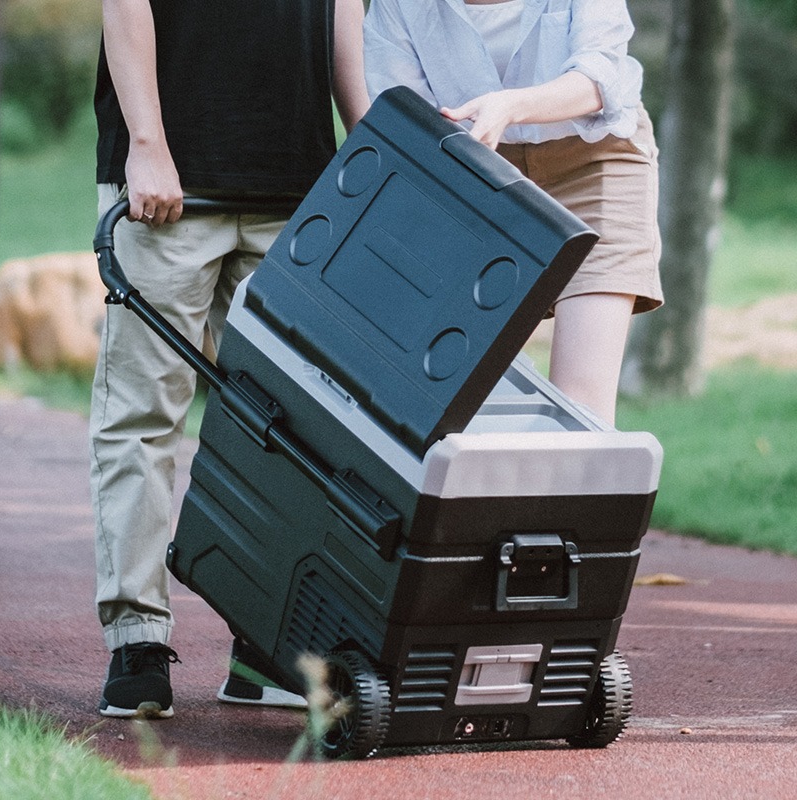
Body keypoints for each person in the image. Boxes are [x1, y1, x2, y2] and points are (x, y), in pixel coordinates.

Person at [91, 0, 369, 719]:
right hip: (167, 187)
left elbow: (340, 11)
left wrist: (368, 134)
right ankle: (137, 638)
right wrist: (146, 142)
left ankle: (268, 645)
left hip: (297, 182)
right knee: (144, 417)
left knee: (298, 433)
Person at [364, 0, 663, 425]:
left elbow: (600, 78)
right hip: (471, 172)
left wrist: (510, 106)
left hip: (593, 159)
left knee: (581, 407)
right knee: (458, 402)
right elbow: (407, 117)